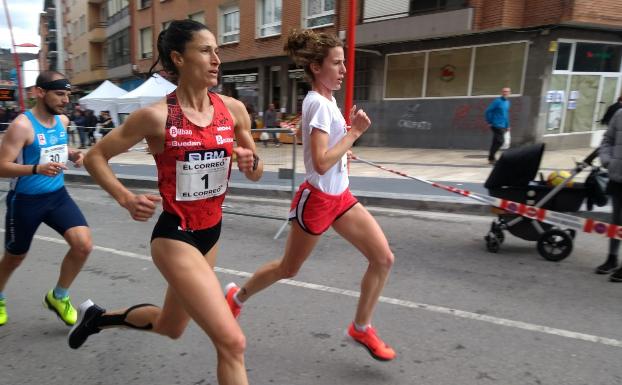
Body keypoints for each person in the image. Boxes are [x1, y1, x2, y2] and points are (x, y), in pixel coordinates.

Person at [68, 19, 262, 385]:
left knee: (172, 326)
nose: (216, 58)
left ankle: (98, 318)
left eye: (217, 50)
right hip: (175, 236)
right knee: (232, 342)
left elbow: (254, 169)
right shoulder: (156, 117)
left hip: (211, 233)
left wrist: (252, 163)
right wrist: (126, 198)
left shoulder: (233, 110)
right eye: (206, 50)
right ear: (179, 58)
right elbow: (95, 157)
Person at [224, 29, 396, 362]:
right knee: (288, 269)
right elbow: (319, 162)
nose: (344, 70)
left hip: (341, 198)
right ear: (317, 68)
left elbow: (329, 153)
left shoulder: (328, 101)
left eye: (343, 62)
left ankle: (361, 327)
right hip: (317, 200)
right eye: (337, 63)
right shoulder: (317, 103)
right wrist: (354, 134)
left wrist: (344, 148)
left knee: (383, 258)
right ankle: (236, 297)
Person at [0, 70, 92, 327]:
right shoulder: (22, 126)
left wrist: (72, 153)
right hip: (25, 201)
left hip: (57, 196)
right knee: (15, 257)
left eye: (68, 94)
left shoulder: (62, 122)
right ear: (39, 93)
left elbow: (56, 148)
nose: (66, 100)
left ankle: (58, 296)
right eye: (60, 94)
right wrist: (34, 169)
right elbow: (1, 166)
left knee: (83, 245)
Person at [597, 108, 622, 282]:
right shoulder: (620, 114)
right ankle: (612, 258)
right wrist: (607, 160)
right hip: (617, 176)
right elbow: (607, 140)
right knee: (616, 220)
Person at [485, 87, 511, 164]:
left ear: (509, 93)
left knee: (495, 142)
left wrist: (508, 125)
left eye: (507, 91)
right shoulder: (497, 101)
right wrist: (489, 122)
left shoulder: (507, 102)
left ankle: (491, 158)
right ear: (502, 92)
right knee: (500, 141)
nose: (505, 93)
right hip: (496, 124)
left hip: (503, 125)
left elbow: (506, 115)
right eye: (504, 91)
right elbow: (487, 111)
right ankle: (492, 157)